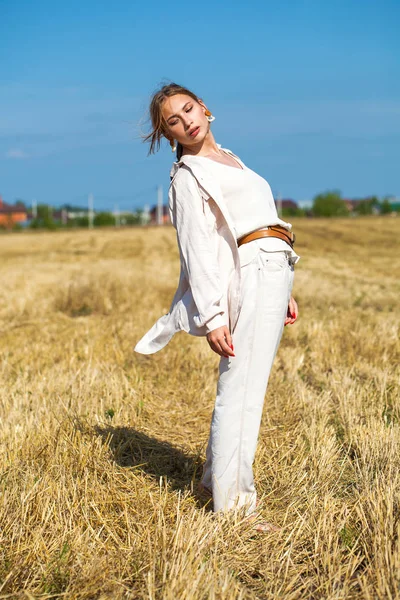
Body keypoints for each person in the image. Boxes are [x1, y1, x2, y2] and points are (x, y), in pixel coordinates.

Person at [134, 82, 300, 532]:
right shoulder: (188, 176)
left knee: (250, 386)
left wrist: (284, 287)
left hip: (272, 268)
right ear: (169, 134)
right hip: (250, 273)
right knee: (240, 389)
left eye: (188, 109)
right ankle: (235, 505)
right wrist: (212, 316)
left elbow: (254, 224)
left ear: (204, 108)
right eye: (174, 120)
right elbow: (198, 250)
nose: (186, 120)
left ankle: (213, 480)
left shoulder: (230, 159)